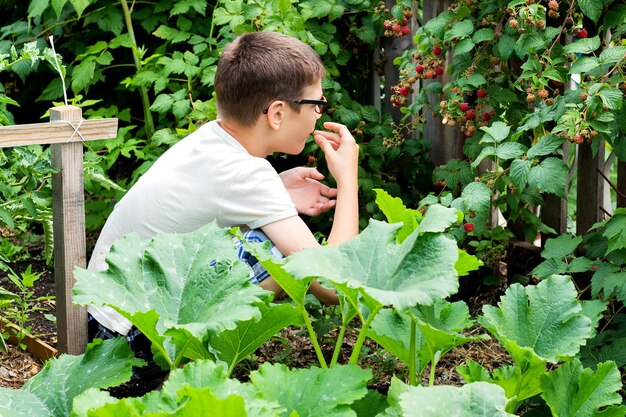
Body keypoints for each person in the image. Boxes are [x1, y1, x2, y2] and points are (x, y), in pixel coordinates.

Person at [86, 31, 360, 379]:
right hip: (126, 354)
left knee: (269, 238)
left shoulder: (210, 138)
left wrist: (277, 190)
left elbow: (211, 201)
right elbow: (336, 287)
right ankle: (176, 378)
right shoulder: (248, 176)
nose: (320, 115)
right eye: (316, 104)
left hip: (102, 325)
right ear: (277, 113)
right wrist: (348, 180)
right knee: (276, 251)